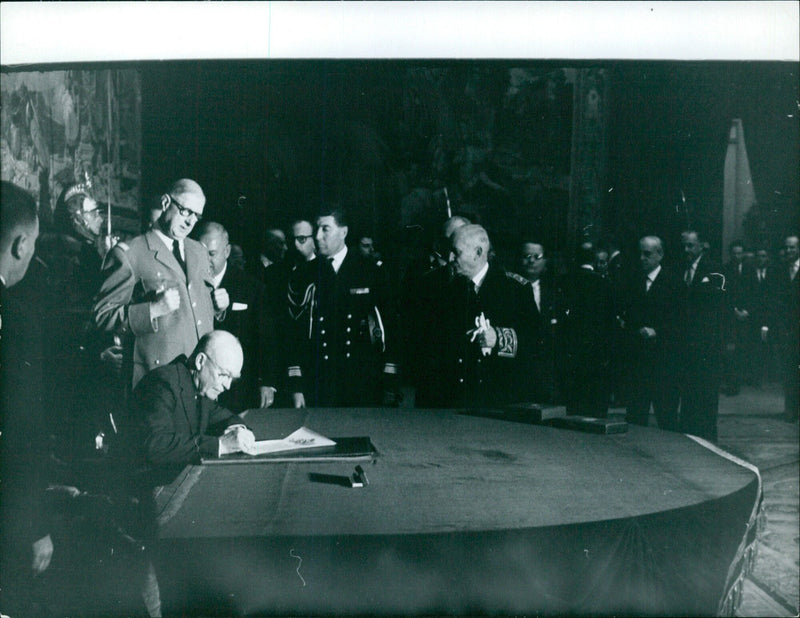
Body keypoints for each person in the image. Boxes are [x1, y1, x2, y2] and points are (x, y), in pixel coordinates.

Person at [93, 179, 228, 388]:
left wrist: (218, 308)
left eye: (196, 215)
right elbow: (102, 316)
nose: (190, 222)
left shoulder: (199, 252)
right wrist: (152, 310)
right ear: (166, 203)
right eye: (185, 211)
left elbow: (196, 309)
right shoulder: (130, 253)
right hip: (158, 381)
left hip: (200, 378)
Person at [287, 206, 398, 407]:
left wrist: (389, 381)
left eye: (325, 229)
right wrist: (296, 385)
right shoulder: (304, 274)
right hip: (318, 383)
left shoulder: (371, 271)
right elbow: (294, 334)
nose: (318, 236)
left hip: (362, 383)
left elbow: (390, 327)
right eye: (317, 230)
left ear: (343, 232)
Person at [0, 181, 51, 615]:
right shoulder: (15, 319)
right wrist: (36, 526)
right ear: (19, 245)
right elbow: (19, 431)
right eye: (33, 245)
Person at [416, 224, 536, 407]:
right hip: (447, 402)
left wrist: (498, 338)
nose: (450, 258)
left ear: (478, 253)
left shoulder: (515, 290)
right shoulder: (438, 287)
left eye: (456, 252)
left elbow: (536, 342)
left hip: (494, 403)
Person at [197, 222, 278, 410]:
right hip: (200, 381)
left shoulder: (250, 287)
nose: (206, 261)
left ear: (226, 251)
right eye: (201, 254)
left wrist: (267, 381)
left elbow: (266, 338)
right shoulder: (189, 284)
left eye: (212, 254)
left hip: (238, 387)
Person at [622, 236, 680, 430]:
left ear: (660, 255)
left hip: (663, 362)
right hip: (638, 361)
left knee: (666, 417)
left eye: (647, 254)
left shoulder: (673, 284)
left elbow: (681, 322)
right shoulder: (633, 281)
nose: (641, 258)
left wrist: (657, 332)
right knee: (635, 417)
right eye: (640, 253)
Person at [678, 229, 725, 441]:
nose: (686, 250)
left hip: (707, 345)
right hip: (686, 345)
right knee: (688, 394)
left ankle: (707, 440)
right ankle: (690, 437)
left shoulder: (714, 269)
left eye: (690, 245)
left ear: (701, 246)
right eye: (684, 246)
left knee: (706, 396)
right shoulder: (681, 269)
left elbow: (719, 308)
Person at [558, 243, 615, 417]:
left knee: (573, 398)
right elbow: (610, 319)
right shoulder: (603, 283)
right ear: (593, 261)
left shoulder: (565, 281)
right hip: (596, 347)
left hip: (571, 345)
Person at [508, 239, 557, 402]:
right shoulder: (509, 288)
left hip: (545, 371)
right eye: (526, 256)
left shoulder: (554, 291)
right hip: (516, 369)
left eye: (537, 256)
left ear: (545, 261)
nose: (531, 260)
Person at [777, 235, 799, 422]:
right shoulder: (782, 271)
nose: (790, 251)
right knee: (790, 371)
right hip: (789, 331)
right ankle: (790, 410)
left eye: (793, 248)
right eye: (787, 248)